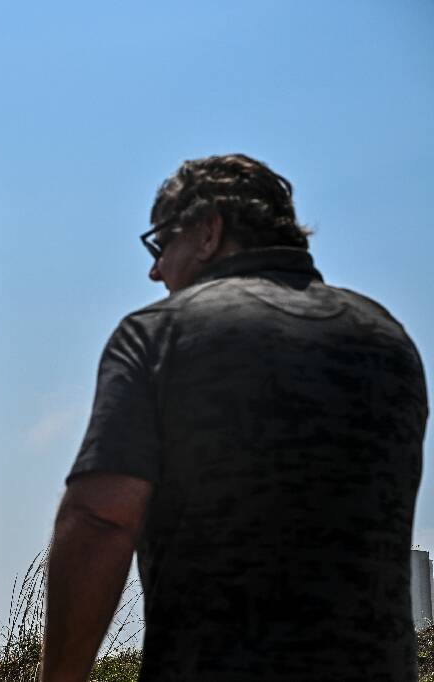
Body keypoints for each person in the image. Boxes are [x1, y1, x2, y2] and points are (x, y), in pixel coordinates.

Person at [40, 154, 428, 681]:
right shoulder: (389, 339)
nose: (155, 269)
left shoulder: (161, 333)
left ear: (207, 231)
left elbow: (100, 519)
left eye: (160, 244)